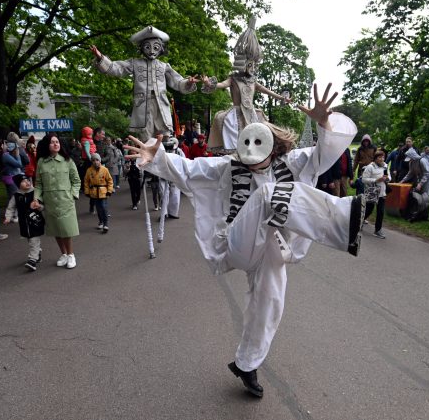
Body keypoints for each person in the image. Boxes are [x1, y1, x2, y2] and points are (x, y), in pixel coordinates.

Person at [125, 83, 363, 398]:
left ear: (274, 147)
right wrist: (156, 158)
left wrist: (323, 124)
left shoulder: (293, 163)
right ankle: (343, 223)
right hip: (239, 242)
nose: (251, 158)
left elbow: (324, 154)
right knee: (266, 195)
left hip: (273, 249)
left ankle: (246, 364)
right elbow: (190, 170)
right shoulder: (227, 167)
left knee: (270, 306)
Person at [90, 26, 199, 143]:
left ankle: (165, 157)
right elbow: (117, 68)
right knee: (146, 139)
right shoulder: (135, 63)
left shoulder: (164, 66)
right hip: (143, 105)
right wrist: (101, 58)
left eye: (155, 47)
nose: (152, 51)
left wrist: (188, 82)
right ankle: (148, 158)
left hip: (160, 104)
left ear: (161, 49)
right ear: (142, 48)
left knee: (165, 136)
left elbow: (177, 82)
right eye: (147, 47)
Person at [201, 17, 290, 153]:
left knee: (261, 132)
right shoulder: (233, 78)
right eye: (250, 65)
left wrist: (282, 98)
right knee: (225, 125)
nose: (253, 68)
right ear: (243, 64)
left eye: (254, 65)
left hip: (252, 114)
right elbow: (220, 85)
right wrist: (209, 83)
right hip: (236, 115)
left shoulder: (253, 81)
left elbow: (268, 92)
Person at [31, 133, 81, 269]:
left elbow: (76, 181)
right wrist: (36, 198)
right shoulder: (41, 162)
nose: (56, 144)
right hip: (50, 201)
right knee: (56, 230)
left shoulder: (67, 160)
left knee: (66, 229)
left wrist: (72, 195)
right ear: (47, 145)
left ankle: (71, 255)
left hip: (65, 201)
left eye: (57, 142)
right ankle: (63, 254)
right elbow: (39, 183)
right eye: (52, 142)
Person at [4, 174, 45, 271]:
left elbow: (43, 206)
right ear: (18, 184)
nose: (27, 182)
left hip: (35, 222)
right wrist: (8, 217)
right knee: (30, 240)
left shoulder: (35, 193)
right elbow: (11, 207)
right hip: (24, 223)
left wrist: (39, 206)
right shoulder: (16, 196)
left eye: (28, 180)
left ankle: (32, 260)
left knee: (33, 240)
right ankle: (37, 254)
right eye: (23, 181)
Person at [361, 150, 390, 238]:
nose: (382, 159)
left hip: (382, 192)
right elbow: (364, 179)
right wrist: (376, 180)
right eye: (380, 157)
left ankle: (377, 230)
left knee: (380, 212)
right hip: (372, 192)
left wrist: (388, 178)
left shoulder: (385, 165)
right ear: (375, 158)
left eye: (383, 157)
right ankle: (359, 222)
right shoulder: (370, 167)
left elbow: (389, 176)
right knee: (369, 210)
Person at [84, 152, 114, 233]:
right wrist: (87, 191)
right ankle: (100, 221)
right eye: (93, 160)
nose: (95, 162)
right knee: (98, 208)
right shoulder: (89, 170)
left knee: (103, 208)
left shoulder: (105, 170)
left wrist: (109, 190)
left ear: (100, 160)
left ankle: (106, 224)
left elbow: (110, 181)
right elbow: (86, 181)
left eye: (97, 160)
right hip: (94, 192)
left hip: (103, 192)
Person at [1, 132, 30, 210]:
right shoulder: (6, 155)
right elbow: (19, 164)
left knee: (15, 197)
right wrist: (18, 154)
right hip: (11, 178)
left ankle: (14, 215)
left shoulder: (8, 152)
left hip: (15, 177)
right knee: (14, 198)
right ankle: (13, 216)